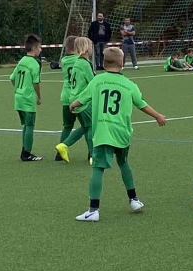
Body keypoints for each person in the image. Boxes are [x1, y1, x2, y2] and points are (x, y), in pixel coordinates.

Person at [71, 44, 166, 221]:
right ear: (122, 63)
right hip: (122, 132)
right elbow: (142, 104)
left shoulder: (97, 81)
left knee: (98, 168)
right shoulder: (129, 84)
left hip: (103, 132)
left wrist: (73, 105)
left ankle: (93, 210)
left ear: (103, 63)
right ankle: (134, 200)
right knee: (123, 163)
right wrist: (158, 116)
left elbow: (82, 98)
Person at [54, 36, 96, 161]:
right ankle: (92, 154)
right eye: (90, 46)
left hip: (69, 96)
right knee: (89, 126)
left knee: (74, 126)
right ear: (86, 48)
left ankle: (62, 148)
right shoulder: (83, 63)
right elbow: (93, 82)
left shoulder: (67, 61)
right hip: (81, 99)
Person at [11, 34, 44, 161]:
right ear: (34, 48)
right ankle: (26, 153)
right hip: (27, 98)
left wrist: (19, 89)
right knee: (30, 125)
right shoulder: (34, 64)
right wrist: (39, 97)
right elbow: (36, 83)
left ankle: (24, 150)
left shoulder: (21, 61)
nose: (41, 50)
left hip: (18, 97)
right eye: (39, 47)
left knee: (26, 125)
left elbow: (12, 78)